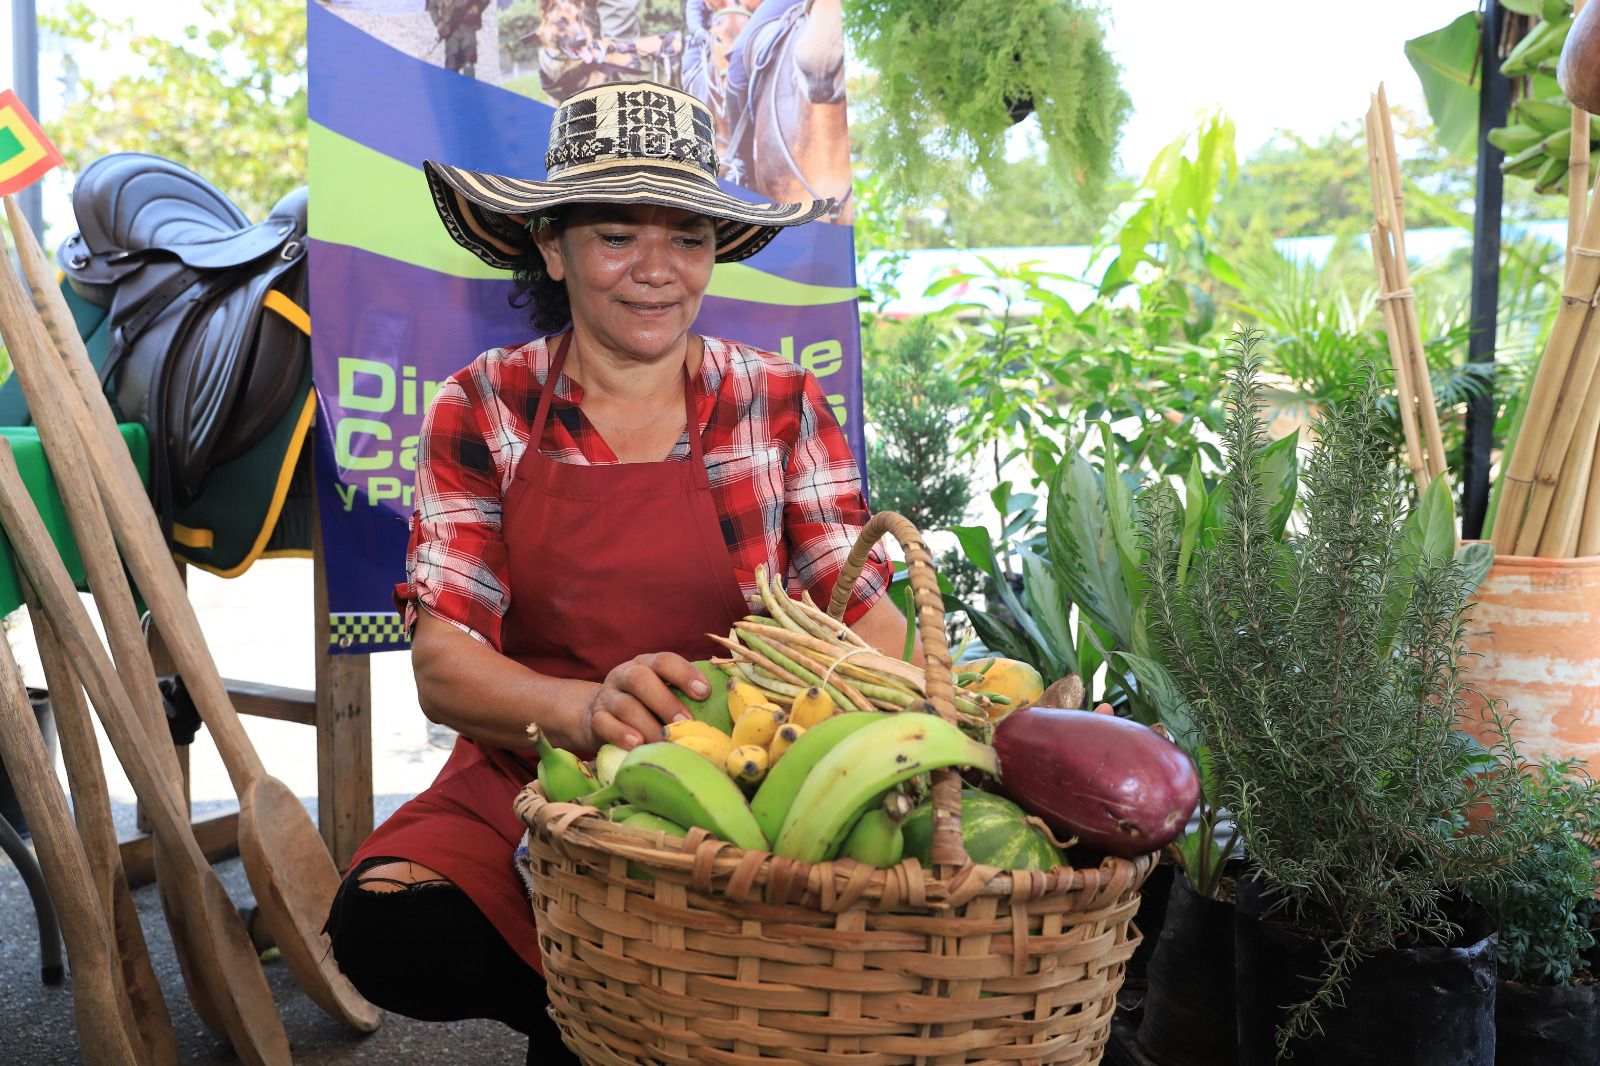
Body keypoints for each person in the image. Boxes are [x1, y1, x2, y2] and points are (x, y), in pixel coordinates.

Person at [322, 80, 901, 1060]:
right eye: (616, 236)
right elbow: (445, 666)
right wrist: (596, 710)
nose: (656, 272)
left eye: (686, 237)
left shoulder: (781, 401)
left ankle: (623, 1021)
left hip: (748, 772)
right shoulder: (485, 404)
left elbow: (872, 621)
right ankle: (609, 1012)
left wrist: (823, 719)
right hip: (542, 766)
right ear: (552, 245)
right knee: (385, 926)